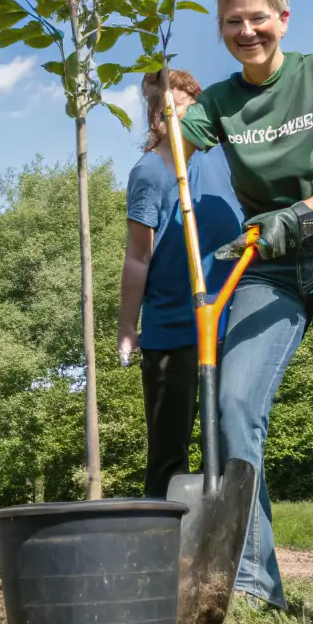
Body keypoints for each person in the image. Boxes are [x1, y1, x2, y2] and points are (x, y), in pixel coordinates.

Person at [176, 0, 313, 624]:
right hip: (263, 264)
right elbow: (170, 157)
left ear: (282, 19)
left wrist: (300, 216)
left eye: (257, 18)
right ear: (220, 31)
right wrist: (165, 117)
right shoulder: (216, 102)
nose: (246, 31)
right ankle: (250, 582)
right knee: (234, 406)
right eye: (231, 22)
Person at [117, 68, 243, 498]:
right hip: (170, 329)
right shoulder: (150, 173)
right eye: (165, 109)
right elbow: (138, 257)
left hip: (231, 323)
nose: (173, 118)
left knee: (231, 445)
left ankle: (231, 552)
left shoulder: (224, 160)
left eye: (188, 108)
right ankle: (162, 549)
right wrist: (127, 327)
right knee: (168, 452)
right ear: (154, 118)